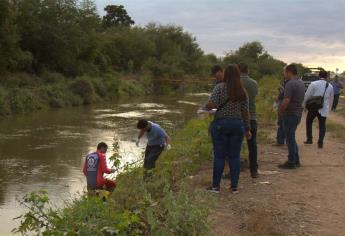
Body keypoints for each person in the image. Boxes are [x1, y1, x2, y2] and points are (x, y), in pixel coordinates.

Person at [204, 64, 251, 193]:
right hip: (237, 125)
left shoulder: (219, 88)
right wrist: (247, 129)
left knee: (219, 156)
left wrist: (205, 106)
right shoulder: (243, 91)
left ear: (226, 74)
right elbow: (246, 112)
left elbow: (211, 105)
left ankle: (215, 187)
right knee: (234, 157)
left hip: (221, 124)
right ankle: (234, 187)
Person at [278, 64, 305, 169]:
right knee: (291, 137)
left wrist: (280, 111)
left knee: (289, 138)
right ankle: (296, 160)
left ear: (289, 72)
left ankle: (291, 161)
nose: (284, 74)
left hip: (290, 114)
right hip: (297, 113)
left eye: (284, 72)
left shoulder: (290, 84)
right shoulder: (300, 83)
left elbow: (286, 100)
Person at [303, 70, 334, 148]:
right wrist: (329, 109)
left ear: (318, 76)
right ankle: (320, 143)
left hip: (313, 107)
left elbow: (307, 95)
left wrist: (304, 105)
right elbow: (331, 99)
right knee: (322, 126)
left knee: (309, 122)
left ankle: (309, 139)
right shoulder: (330, 86)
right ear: (326, 77)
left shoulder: (313, 84)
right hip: (323, 109)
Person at [238, 63, 259, 178]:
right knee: (252, 145)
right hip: (252, 116)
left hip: (238, 117)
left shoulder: (235, 83)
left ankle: (234, 170)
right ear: (248, 70)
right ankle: (254, 171)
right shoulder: (254, 83)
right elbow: (255, 96)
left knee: (236, 145)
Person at [275, 76, 288, 145]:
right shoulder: (294, 82)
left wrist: (277, 100)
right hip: (286, 104)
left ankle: (280, 141)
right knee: (283, 123)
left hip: (283, 104)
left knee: (281, 123)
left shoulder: (285, 82)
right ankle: (282, 141)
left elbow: (281, 94)